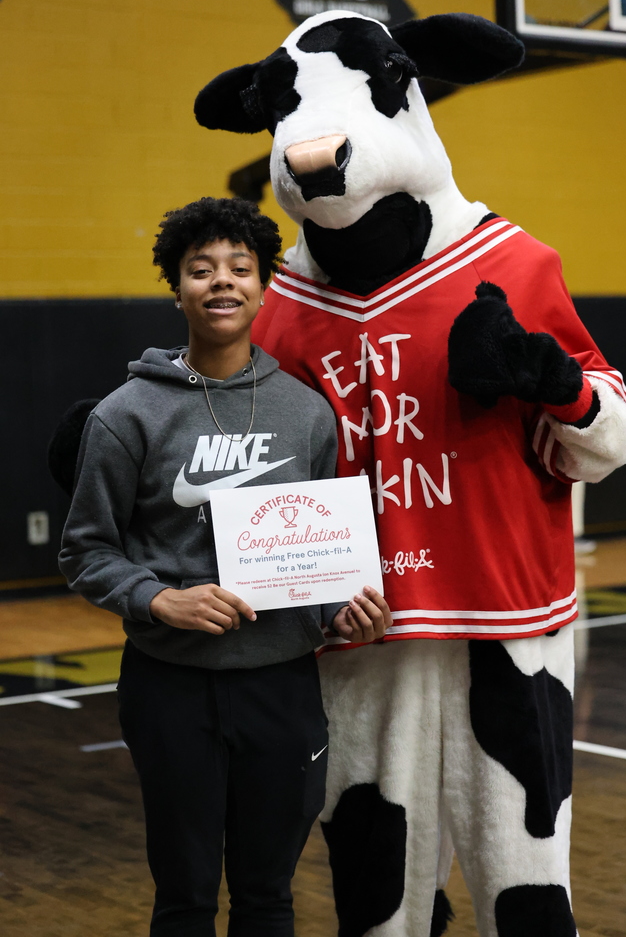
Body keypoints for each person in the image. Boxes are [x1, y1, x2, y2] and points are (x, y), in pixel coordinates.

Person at [59, 196, 392, 937]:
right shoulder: (126, 414)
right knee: (184, 897)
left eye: (239, 268)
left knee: (268, 896)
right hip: (170, 686)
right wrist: (156, 600)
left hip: (282, 686)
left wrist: (343, 611)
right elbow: (84, 550)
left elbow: (318, 553)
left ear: (263, 286)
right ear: (175, 286)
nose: (222, 283)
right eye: (200, 269)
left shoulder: (307, 414)